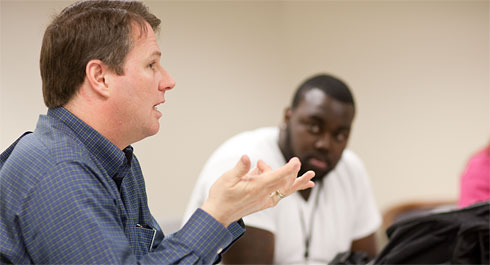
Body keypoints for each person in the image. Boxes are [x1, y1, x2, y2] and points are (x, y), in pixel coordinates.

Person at [0, 1, 315, 264]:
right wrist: (216, 213)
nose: (168, 81)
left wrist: (232, 209)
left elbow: (154, 258)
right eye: (152, 65)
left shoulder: (118, 161)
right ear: (100, 77)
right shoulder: (58, 170)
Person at [183, 74, 382, 264]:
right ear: (288, 117)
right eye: (314, 127)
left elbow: (367, 259)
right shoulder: (246, 163)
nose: (325, 144)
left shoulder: (351, 170)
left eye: (339, 135)